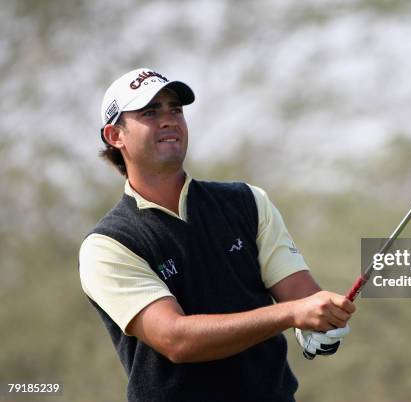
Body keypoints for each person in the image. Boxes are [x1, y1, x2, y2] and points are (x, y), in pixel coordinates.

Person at [79, 68, 356, 402]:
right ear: (114, 136)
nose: (169, 120)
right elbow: (176, 339)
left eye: (175, 110)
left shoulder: (247, 202)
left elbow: (301, 295)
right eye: (150, 112)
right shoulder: (108, 244)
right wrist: (293, 314)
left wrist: (322, 321)